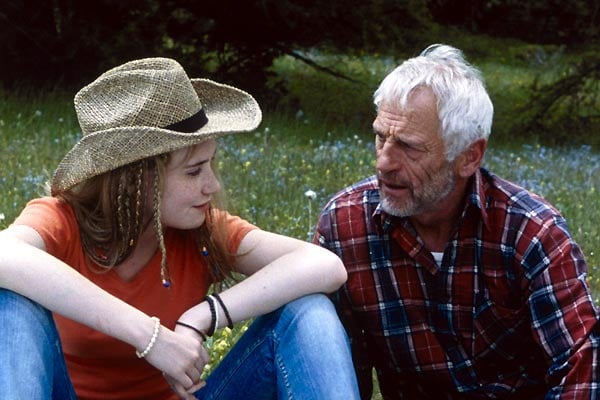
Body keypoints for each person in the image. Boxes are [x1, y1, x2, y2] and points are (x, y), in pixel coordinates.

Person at [0, 57, 361, 400]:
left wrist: (201, 317)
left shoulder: (201, 231)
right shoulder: (62, 222)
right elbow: (5, 255)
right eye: (194, 171)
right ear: (136, 178)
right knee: (13, 303)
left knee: (308, 311)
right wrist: (151, 337)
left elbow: (323, 265)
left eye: (210, 165)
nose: (212, 185)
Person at [315, 44, 600, 399]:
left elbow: (581, 367)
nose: (384, 162)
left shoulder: (531, 233)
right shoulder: (346, 226)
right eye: (380, 137)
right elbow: (336, 374)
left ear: (469, 157)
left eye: (408, 146)